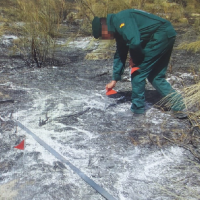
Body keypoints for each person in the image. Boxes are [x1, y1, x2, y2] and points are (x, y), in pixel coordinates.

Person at [92, 9, 186, 118]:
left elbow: (135, 42)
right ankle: (179, 105)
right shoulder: (118, 28)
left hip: (160, 35)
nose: (105, 38)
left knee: (137, 72)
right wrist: (115, 79)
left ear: (104, 27)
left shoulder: (121, 20)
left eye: (102, 35)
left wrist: (136, 60)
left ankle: (137, 110)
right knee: (155, 76)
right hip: (165, 34)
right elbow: (120, 54)